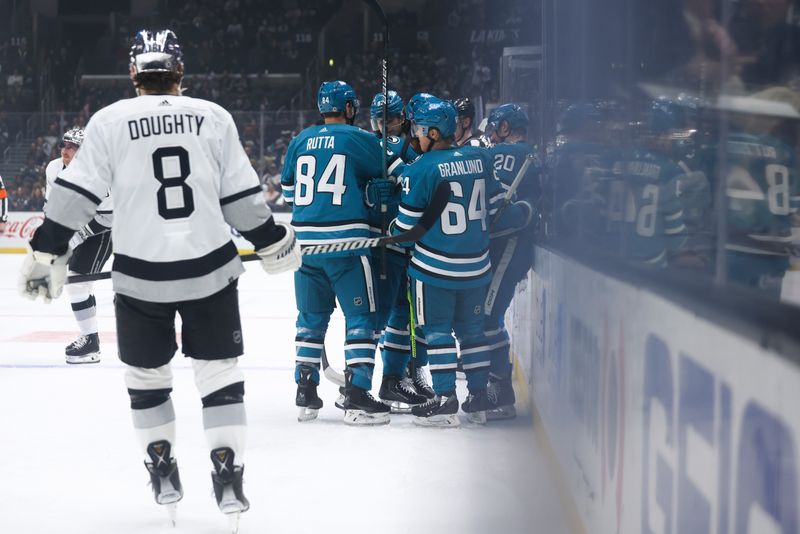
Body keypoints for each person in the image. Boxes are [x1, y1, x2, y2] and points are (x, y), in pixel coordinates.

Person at [18, 29, 300, 525]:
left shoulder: (107, 121)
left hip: (139, 273)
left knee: (147, 378)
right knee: (219, 374)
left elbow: (73, 198)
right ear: (179, 72)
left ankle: (162, 465)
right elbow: (242, 201)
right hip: (210, 268)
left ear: (133, 73)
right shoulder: (213, 117)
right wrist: (273, 239)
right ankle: (227, 470)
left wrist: (45, 252)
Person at [392, 97, 531, 427]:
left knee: (437, 331)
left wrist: (390, 223)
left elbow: (407, 228)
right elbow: (500, 208)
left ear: (436, 132)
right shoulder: (482, 158)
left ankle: (443, 399)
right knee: (472, 333)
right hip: (477, 267)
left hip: (434, 269)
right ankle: (479, 397)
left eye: (420, 130)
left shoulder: (422, 168)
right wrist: (527, 211)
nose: (416, 135)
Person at [281, 80, 391, 425]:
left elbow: (287, 193)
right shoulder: (362, 139)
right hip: (347, 245)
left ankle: (306, 391)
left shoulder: (300, 140)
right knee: (361, 319)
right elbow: (390, 172)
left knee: (310, 321)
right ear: (348, 108)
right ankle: (357, 394)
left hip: (306, 246)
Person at [367, 90, 429, 411]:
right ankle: (359, 379)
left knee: (408, 314)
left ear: (401, 118)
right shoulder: (366, 147)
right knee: (373, 315)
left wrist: (401, 183)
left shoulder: (411, 150)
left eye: (389, 119)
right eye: (379, 120)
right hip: (379, 245)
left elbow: (421, 187)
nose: (384, 125)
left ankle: (402, 375)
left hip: (407, 244)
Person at [482, 104, 540, 420]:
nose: (490, 136)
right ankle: (495, 384)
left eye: (494, 128)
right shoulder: (531, 155)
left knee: (488, 317)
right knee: (486, 316)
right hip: (505, 244)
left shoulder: (504, 154)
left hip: (509, 245)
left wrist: (519, 214)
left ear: (504, 126)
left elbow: (522, 209)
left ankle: (501, 390)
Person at [43, 126, 113, 364]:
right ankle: (90, 339)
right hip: (78, 222)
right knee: (81, 286)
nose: (66, 150)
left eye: (73, 147)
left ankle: (90, 343)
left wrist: (75, 236)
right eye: (65, 145)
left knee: (78, 286)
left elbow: (109, 217)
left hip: (103, 230)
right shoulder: (54, 169)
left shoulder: (100, 173)